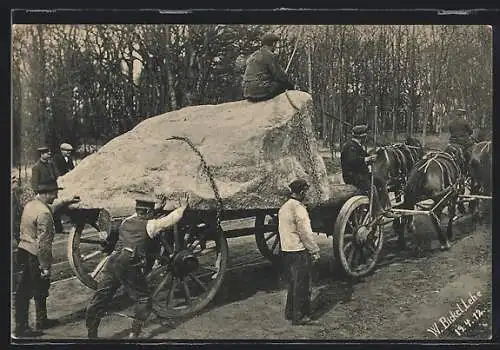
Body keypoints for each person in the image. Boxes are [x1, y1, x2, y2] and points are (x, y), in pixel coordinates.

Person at [85, 193, 190, 339]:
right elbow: (169, 220)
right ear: (147, 212)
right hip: (128, 263)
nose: (153, 214)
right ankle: (134, 334)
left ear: (136, 209)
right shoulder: (150, 225)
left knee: (102, 296)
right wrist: (182, 208)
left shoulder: (126, 221)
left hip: (113, 261)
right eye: (151, 212)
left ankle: (91, 333)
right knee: (143, 298)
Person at [13, 181, 80, 338]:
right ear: (46, 193)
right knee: (29, 289)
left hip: (24, 249)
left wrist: (66, 201)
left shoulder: (32, 205)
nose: (56, 195)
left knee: (37, 288)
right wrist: (45, 267)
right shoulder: (44, 214)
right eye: (54, 193)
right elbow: (43, 245)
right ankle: (22, 329)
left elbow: (51, 207)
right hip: (36, 254)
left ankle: (41, 320)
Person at [278, 179, 320, 326]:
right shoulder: (299, 209)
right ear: (301, 192)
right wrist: (314, 250)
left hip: (285, 250)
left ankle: (290, 312)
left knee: (292, 283)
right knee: (302, 284)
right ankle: (300, 316)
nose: (306, 195)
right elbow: (306, 234)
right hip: (298, 251)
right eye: (306, 192)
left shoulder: (283, 207)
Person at [340, 125, 394, 218]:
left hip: (361, 174)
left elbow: (364, 157)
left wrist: (373, 155)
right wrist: (367, 159)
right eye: (365, 136)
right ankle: (377, 210)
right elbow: (352, 161)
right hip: (353, 176)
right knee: (371, 187)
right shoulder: (350, 146)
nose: (366, 138)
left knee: (380, 181)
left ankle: (386, 207)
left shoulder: (357, 145)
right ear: (362, 137)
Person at [242, 32, 295, 102]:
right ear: (273, 44)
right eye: (276, 44)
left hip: (247, 92)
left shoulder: (253, 55)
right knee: (282, 85)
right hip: (261, 91)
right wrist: (292, 87)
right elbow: (280, 76)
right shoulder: (269, 55)